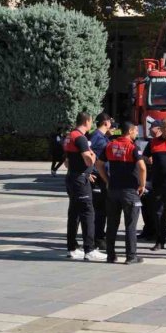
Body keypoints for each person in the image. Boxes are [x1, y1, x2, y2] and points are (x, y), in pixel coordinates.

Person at [95, 122, 146, 264]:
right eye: (135, 131)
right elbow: (142, 167)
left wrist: (107, 180)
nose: (136, 133)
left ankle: (111, 255)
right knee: (130, 224)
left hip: (113, 190)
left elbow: (98, 164)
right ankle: (131, 256)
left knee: (112, 224)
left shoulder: (110, 145)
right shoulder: (133, 147)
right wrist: (142, 185)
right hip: (129, 190)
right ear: (129, 131)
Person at [62, 112, 105, 261]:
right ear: (87, 121)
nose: (91, 124)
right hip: (80, 181)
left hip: (72, 177)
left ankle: (72, 248)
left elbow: (67, 162)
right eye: (91, 121)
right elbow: (88, 160)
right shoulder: (80, 138)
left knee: (74, 213)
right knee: (88, 212)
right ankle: (89, 249)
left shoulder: (69, 136)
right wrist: (92, 156)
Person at [144, 119, 166, 251]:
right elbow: (144, 157)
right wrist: (147, 159)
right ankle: (160, 241)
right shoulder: (153, 142)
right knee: (159, 214)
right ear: (161, 129)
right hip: (158, 185)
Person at [88, 113, 113, 251]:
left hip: (103, 177)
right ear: (106, 122)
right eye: (110, 121)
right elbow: (88, 154)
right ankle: (97, 239)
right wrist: (89, 172)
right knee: (99, 210)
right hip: (97, 178)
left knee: (103, 209)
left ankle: (99, 236)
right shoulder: (96, 137)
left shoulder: (102, 137)